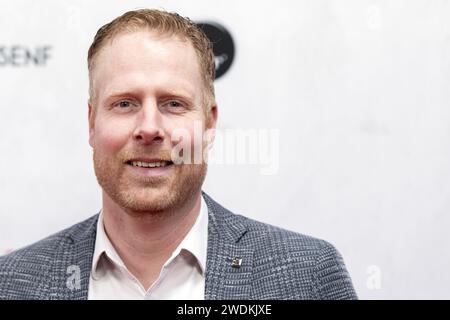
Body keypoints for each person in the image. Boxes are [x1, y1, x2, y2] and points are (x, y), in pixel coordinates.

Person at [0, 9, 357, 300]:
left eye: (174, 104)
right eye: (125, 104)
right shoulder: (13, 283)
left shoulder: (305, 277)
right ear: (92, 123)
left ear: (209, 123)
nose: (150, 128)